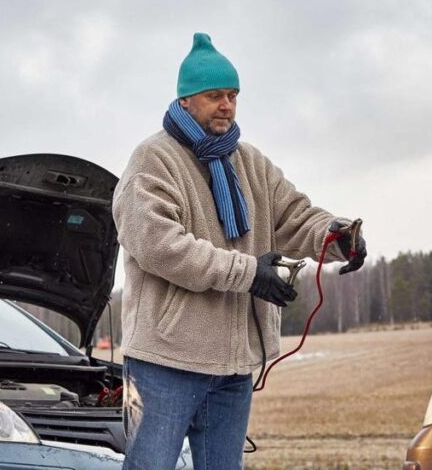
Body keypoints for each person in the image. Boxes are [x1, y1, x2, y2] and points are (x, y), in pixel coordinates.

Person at [112, 32, 367, 470]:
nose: (226, 105)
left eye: (232, 95)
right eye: (214, 96)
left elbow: (293, 214)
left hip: (232, 369)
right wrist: (249, 273)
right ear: (187, 100)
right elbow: (160, 246)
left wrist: (335, 234)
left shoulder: (249, 162)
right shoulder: (153, 161)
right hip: (163, 363)